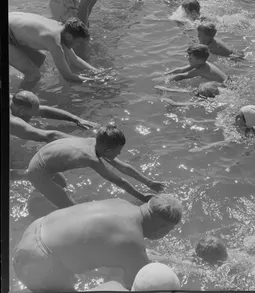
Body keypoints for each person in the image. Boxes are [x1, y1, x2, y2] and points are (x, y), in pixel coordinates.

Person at [13, 194, 183, 291]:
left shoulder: (121, 203)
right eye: (168, 230)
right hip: (39, 261)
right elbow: (140, 286)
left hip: (35, 230)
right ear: (162, 227)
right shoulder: (132, 242)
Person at [26, 123, 165, 209]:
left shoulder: (95, 142)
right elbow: (119, 181)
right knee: (72, 209)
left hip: (41, 160)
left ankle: (39, 199)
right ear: (108, 151)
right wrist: (142, 197)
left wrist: (149, 182)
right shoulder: (91, 158)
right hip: (38, 171)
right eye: (118, 151)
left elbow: (123, 167)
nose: (120, 153)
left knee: (62, 186)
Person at [9, 12, 99, 87]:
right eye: (78, 42)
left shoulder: (61, 28)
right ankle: (19, 104)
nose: (77, 45)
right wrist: (97, 81)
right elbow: (68, 77)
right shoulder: (54, 42)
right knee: (34, 75)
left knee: (40, 59)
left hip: (11, 25)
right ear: (69, 36)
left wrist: (98, 73)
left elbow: (74, 59)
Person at [10, 90, 98, 131]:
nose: (35, 114)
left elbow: (45, 111)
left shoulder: (17, 105)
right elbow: (37, 134)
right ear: (22, 112)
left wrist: (76, 119)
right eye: (31, 114)